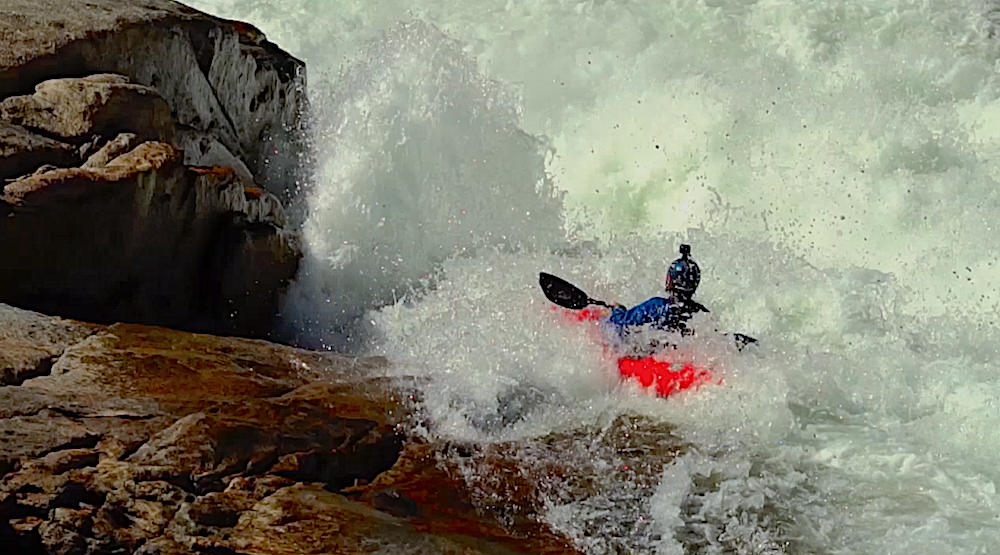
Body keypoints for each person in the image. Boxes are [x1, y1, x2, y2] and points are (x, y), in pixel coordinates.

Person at [606, 244, 709, 340]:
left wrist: (618, 309)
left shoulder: (655, 307)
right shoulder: (701, 313)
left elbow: (619, 325)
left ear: (670, 281)